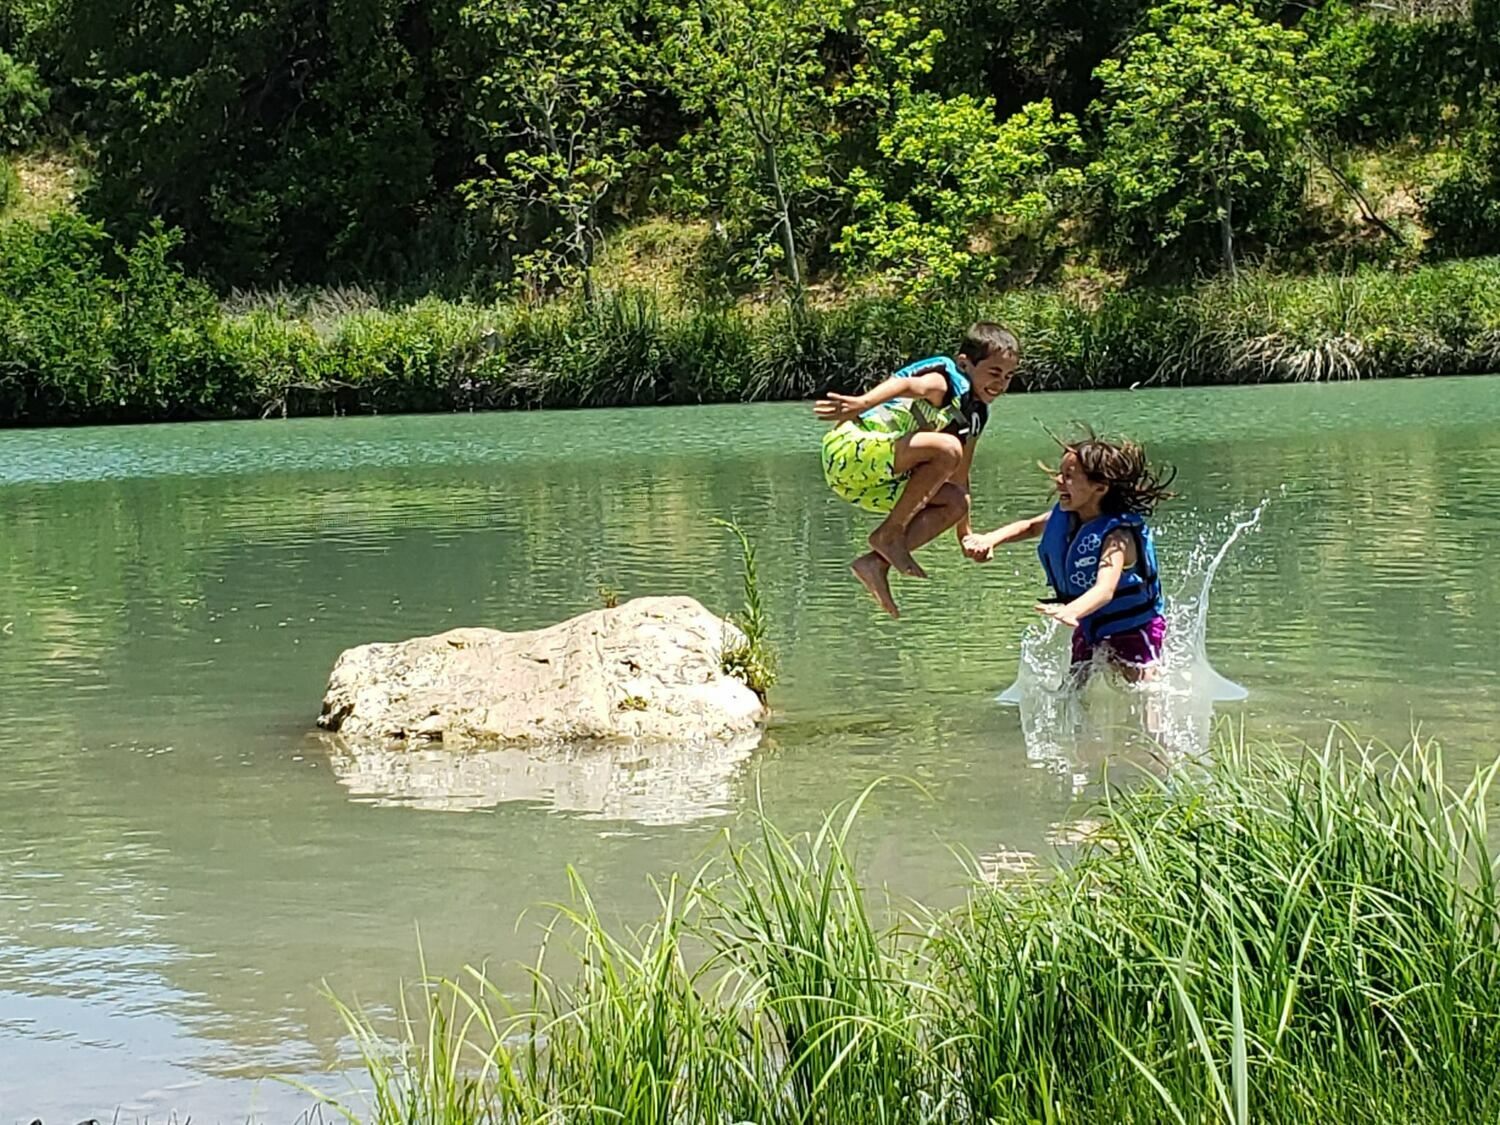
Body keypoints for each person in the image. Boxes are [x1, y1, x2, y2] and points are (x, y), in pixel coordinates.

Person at [815, 323, 1019, 619]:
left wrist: (965, 534)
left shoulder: (974, 413)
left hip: (869, 482)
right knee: (948, 448)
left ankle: (875, 563)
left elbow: (960, 473)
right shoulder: (945, 382)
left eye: (1008, 376)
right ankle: (890, 532)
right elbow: (909, 386)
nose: (1000, 384)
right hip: (848, 453)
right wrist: (861, 403)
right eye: (994, 372)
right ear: (965, 364)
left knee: (957, 502)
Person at [965, 432, 1175, 680]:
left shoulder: (1117, 537)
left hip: (1134, 626)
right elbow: (1030, 527)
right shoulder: (1068, 517)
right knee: (1074, 684)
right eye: (1060, 473)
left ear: (1100, 488)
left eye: (1069, 476)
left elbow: (1105, 589)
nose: (1058, 481)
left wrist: (1072, 610)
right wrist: (990, 539)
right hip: (1088, 622)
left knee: (1142, 684)